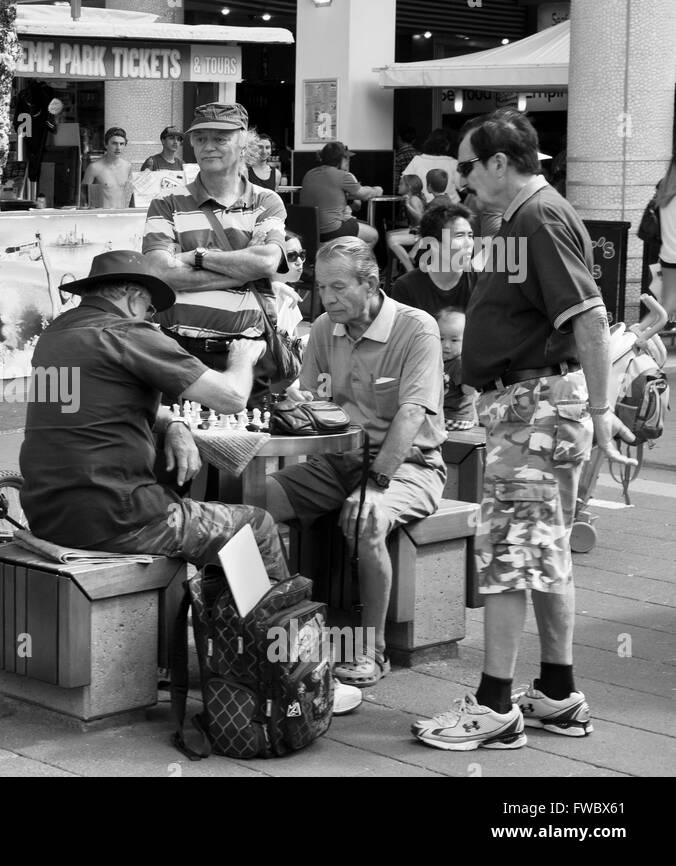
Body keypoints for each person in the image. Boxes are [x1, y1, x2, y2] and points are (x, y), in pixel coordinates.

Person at [412, 109, 636, 751]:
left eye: (467, 166)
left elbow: (589, 317)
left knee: (509, 558)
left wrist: (598, 409)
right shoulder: (527, 216)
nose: (460, 181)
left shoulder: (537, 217)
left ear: (500, 164)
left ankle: (495, 707)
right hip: (539, 405)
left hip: (534, 407)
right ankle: (559, 694)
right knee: (544, 554)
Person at [20, 250, 288, 581]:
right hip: (117, 518)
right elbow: (231, 397)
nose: (151, 317)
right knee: (257, 525)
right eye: (150, 308)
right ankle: (265, 631)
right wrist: (243, 357)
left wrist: (173, 422)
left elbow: (99, 404)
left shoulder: (55, 335)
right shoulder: (128, 333)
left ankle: (221, 621)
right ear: (134, 298)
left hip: (47, 512)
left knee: (210, 530)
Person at [266, 237, 446, 688]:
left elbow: (411, 414)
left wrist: (377, 485)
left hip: (409, 465)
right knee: (250, 504)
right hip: (339, 460)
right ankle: (284, 625)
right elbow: (313, 402)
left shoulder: (416, 327)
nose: (327, 298)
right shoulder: (326, 328)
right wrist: (289, 399)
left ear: (370, 283)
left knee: (368, 519)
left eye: (338, 287)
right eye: (321, 287)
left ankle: (372, 649)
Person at [142, 102, 294, 409]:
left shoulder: (267, 201)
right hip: (179, 352)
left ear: (242, 143)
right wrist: (243, 268)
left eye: (220, 138)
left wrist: (194, 257)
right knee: (179, 449)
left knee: (245, 449)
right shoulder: (166, 202)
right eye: (200, 139)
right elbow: (160, 272)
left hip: (247, 352)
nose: (208, 147)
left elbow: (266, 262)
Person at [388, 202, 476, 317]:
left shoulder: (481, 282)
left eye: (470, 235)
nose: (469, 243)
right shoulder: (406, 288)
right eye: (459, 236)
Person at [300, 141, 382, 246]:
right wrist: (377, 190)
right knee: (373, 235)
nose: (348, 161)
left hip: (310, 230)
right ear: (339, 159)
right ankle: (356, 262)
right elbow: (363, 195)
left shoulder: (309, 174)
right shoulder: (343, 176)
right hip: (332, 230)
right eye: (346, 158)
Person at [438, 307, 477, 431]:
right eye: (441, 338)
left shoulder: (459, 363)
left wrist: (470, 376)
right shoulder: (439, 360)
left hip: (455, 417)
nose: (446, 345)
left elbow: (469, 391)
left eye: (454, 340)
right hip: (448, 417)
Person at [402, 128, 459, 204]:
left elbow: (404, 182)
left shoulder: (417, 160)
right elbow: (463, 186)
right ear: (447, 145)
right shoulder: (453, 163)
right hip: (448, 207)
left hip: (423, 206)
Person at [82, 127, 133, 209]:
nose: (118, 148)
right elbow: (83, 198)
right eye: (114, 143)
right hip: (102, 216)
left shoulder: (127, 166)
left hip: (121, 215)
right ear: (106, 144)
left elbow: (128, 194)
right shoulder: (94, 168)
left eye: (121, 144)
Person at [654, 155, 676, 321]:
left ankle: (640, 332)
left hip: (668, 257)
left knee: (666, 306)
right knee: (667, 306)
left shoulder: (664, 196)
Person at [393, 126, 420, 192]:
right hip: (417, 192)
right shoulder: (420, 156)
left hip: (403, 194)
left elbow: (395, 182)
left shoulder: (397, 157)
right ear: (414, 140)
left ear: (399, 138)